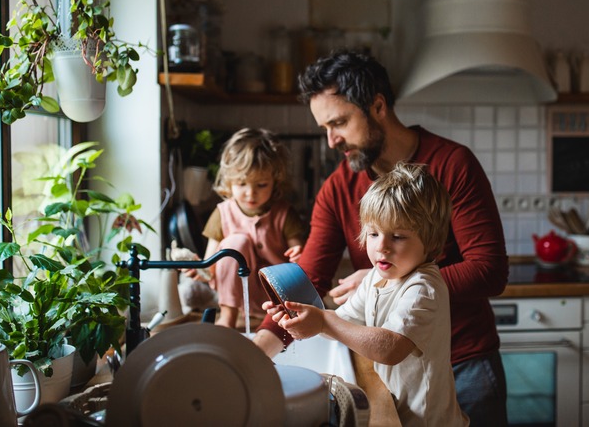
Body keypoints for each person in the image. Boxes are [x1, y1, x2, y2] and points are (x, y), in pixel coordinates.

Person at [253, 50, 509, 425]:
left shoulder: (453, 164)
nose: (331, 141)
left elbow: (489, 270)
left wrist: (389, 282)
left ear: (377, 106)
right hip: (392, 374)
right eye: (324, 127)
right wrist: (261, 348)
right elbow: (307, 279)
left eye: (339, 122)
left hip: (464, 364)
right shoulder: (339, 186)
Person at [269, 162, 468, 426]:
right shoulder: (376, 276)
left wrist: (324, 321)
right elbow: (344, 324)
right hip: (399, 412)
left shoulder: (423, 288)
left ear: (430, 241)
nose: (381, 247)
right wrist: (304, 319)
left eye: (397, 236)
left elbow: (391, 348)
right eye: (373, 233)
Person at [191, 127, 306, 328]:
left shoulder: (284, 213)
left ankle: (273, 319)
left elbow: (300, 257)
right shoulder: (223, 213)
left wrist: (299, 255)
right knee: (235, 243)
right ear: (229, 181)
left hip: (277, 297)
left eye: (261, 185)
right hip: (236, 297)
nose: (250, 193)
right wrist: (198, 267)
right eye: (241, 184)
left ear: (275, 181)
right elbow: (211, 264)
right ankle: (227, 317)